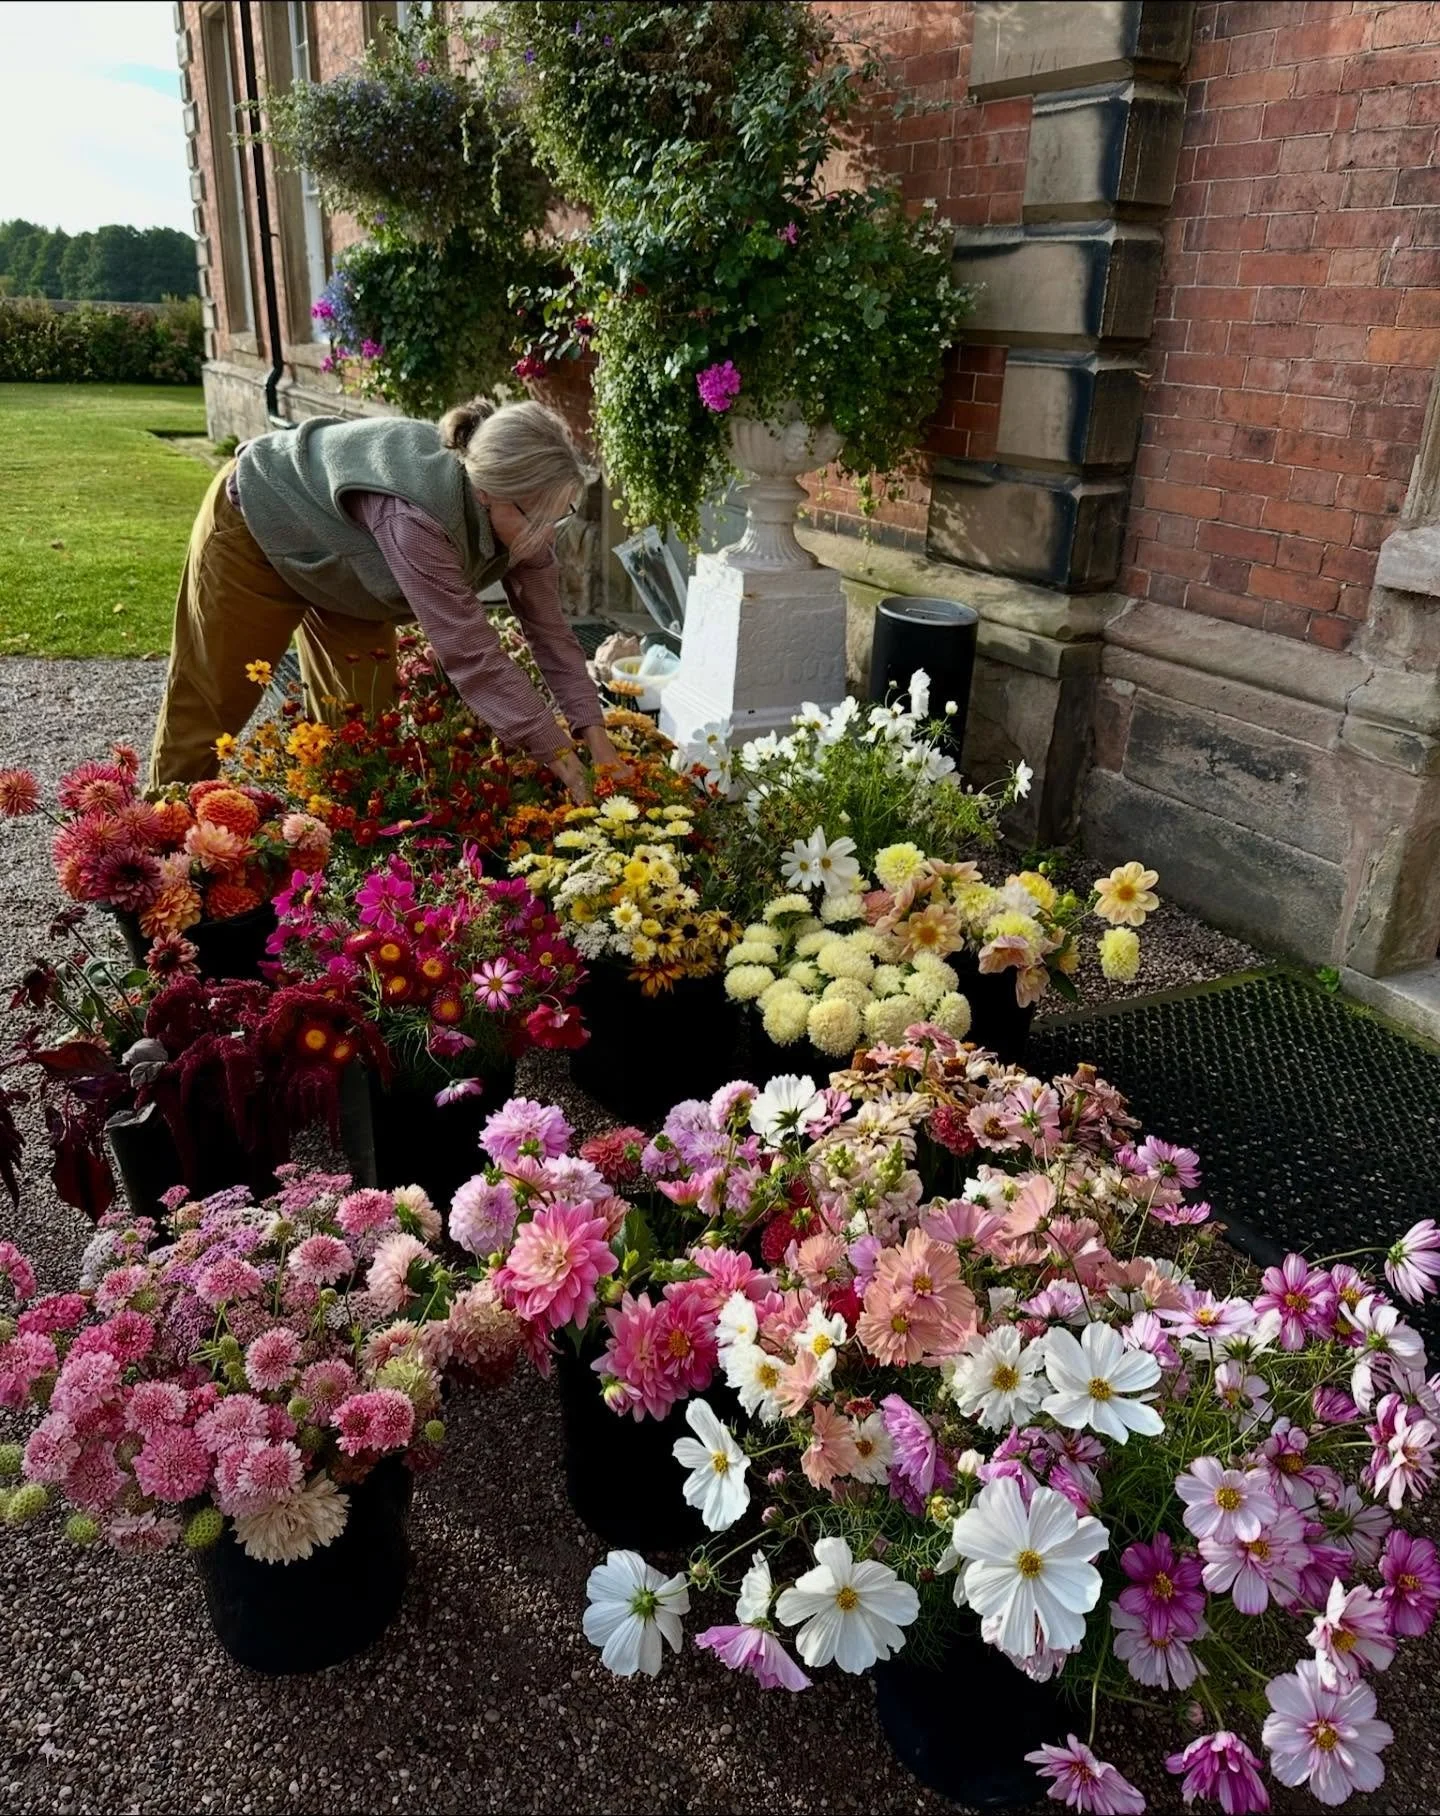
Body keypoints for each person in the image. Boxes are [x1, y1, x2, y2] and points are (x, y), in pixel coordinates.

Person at [147, 397, 622, 802]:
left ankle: (320, 866)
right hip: (258, 525)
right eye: (535, 516)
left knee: (360, 739)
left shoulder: (527, 532)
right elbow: (472, 655)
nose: (548, 534)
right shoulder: (418, 516)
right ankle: (156, 850)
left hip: (349, 571)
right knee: (210, 706)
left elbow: (553, 636)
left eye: (560, 516)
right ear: (484, 492)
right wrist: (560, 757)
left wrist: (599, 747)